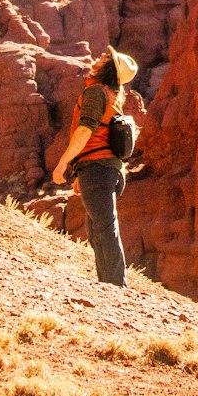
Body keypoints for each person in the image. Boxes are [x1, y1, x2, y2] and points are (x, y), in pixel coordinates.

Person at [52, 45, 138, 287]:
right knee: (97, 230)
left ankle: (116, 286)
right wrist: (81, 173)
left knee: (105, 228)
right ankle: (108, 284)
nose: (100, 58)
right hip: (105, 170)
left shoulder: (95, 93)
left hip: (98, 170)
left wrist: (63, 164)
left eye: (106, 57)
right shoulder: (110, 97)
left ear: (108, 67)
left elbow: (85, 130)